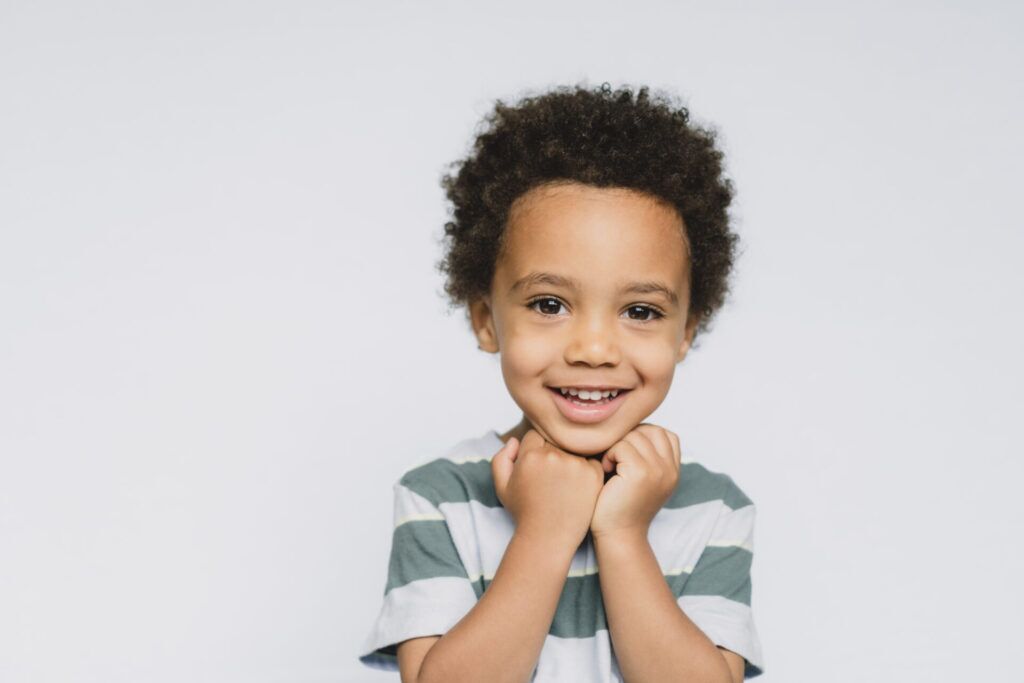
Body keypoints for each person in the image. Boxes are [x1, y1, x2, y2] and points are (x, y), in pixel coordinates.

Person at [358, 82, 765, 682]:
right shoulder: (439, 498)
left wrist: (624, 533)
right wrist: (545, 531)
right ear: (484, 318)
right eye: (549, 304)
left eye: (641, 311)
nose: (594, 350)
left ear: (685, 332)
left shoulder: (714, 509)